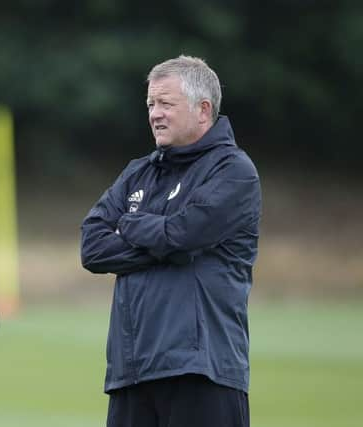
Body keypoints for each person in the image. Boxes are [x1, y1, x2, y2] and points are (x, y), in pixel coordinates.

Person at [81, 55, 261, 427]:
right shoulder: (138, 171)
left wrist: (129, 225)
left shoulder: (234, 171)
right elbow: (93, 248)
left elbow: (183, 235)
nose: (154, 114)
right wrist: (165, 242)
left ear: (203, 110)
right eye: (150, 104)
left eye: (166, 104)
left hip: (201, 372)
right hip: (131, 372)